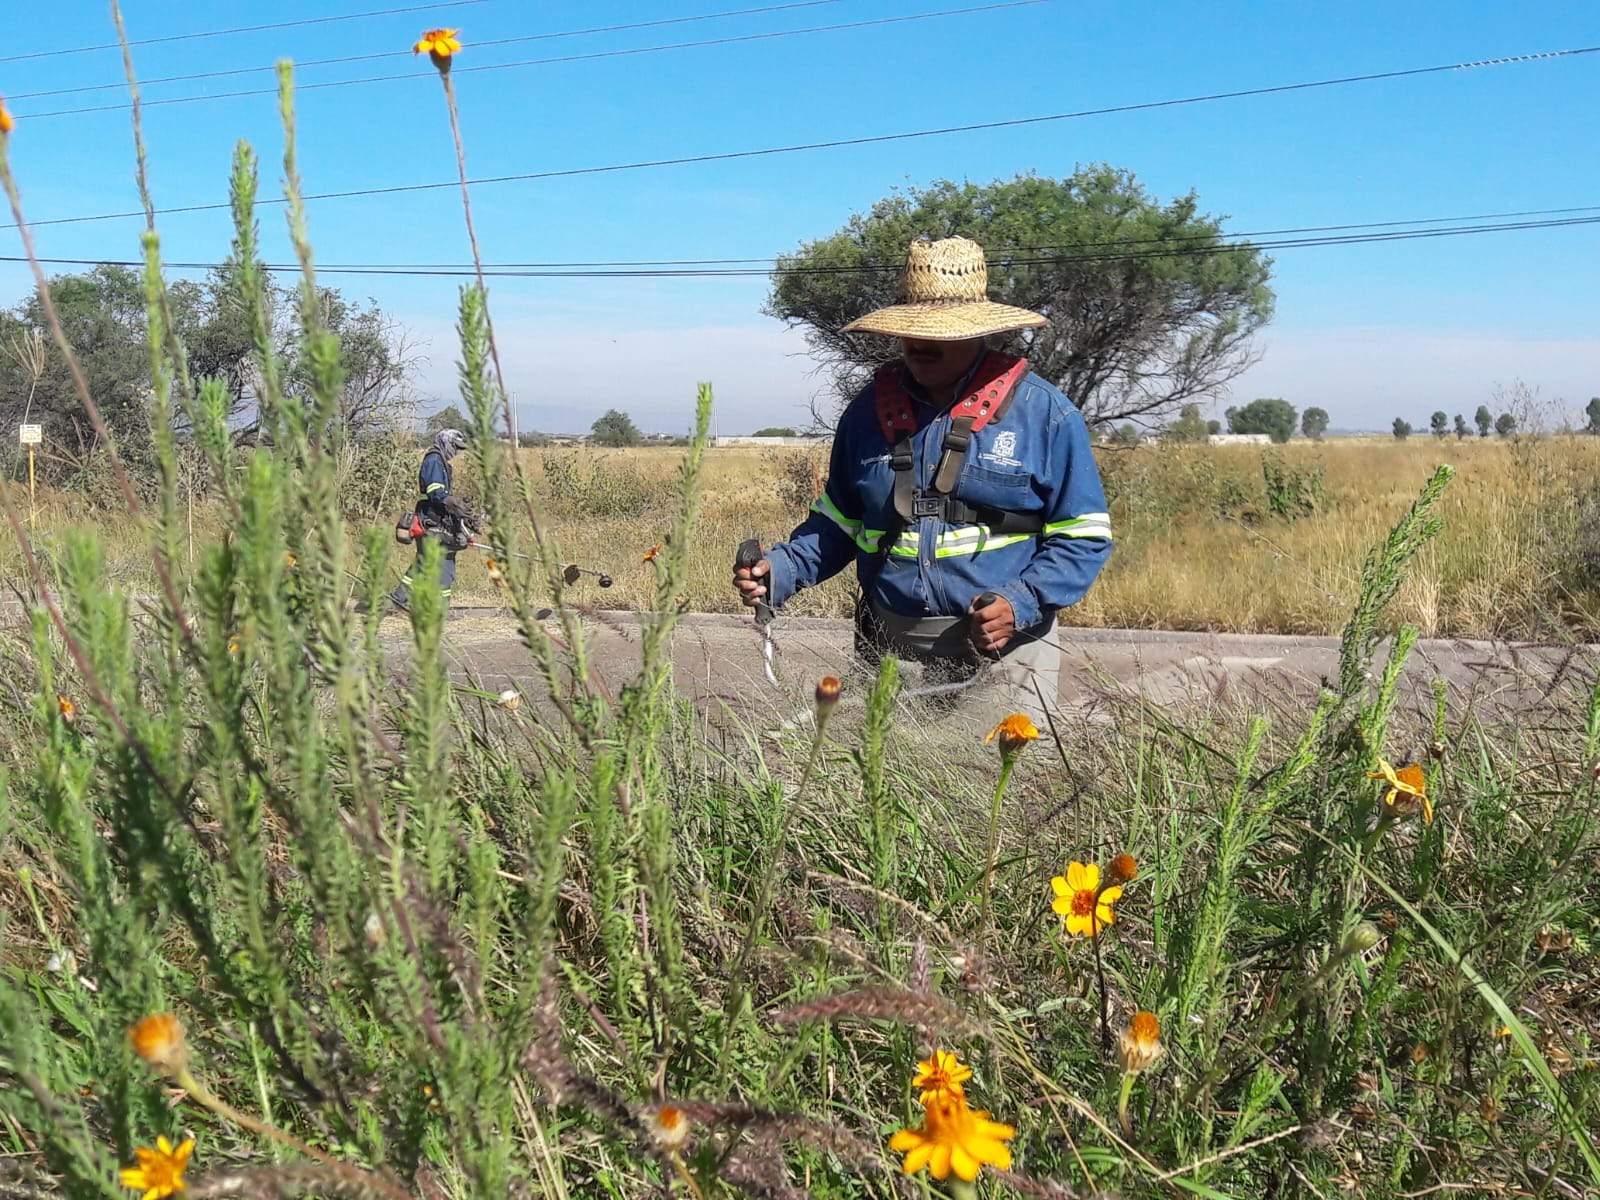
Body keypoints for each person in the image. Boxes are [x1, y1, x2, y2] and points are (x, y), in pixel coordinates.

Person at [733, 236, 1112, 720]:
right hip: (889, 655)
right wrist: (781, 569)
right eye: (911, 329)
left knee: (996, 772)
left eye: (941, 333)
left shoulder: (1046, 415)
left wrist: (1020, 602)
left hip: (1004, 660)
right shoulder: (867, 414)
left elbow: (1083, 537)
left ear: (979, 333)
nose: (919, 344)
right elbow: (839, 523)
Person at [391, 427, 474, 609]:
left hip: (435, 519)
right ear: (446, 442)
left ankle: (403, 598)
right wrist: (452, 502)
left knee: (430, 561)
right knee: (437, 562)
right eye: (455, 446)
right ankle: (425, 603)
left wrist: (459, 511)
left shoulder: (440, 461)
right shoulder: (435, 460)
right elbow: (435, 492)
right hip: (430, 519)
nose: (456, 451)